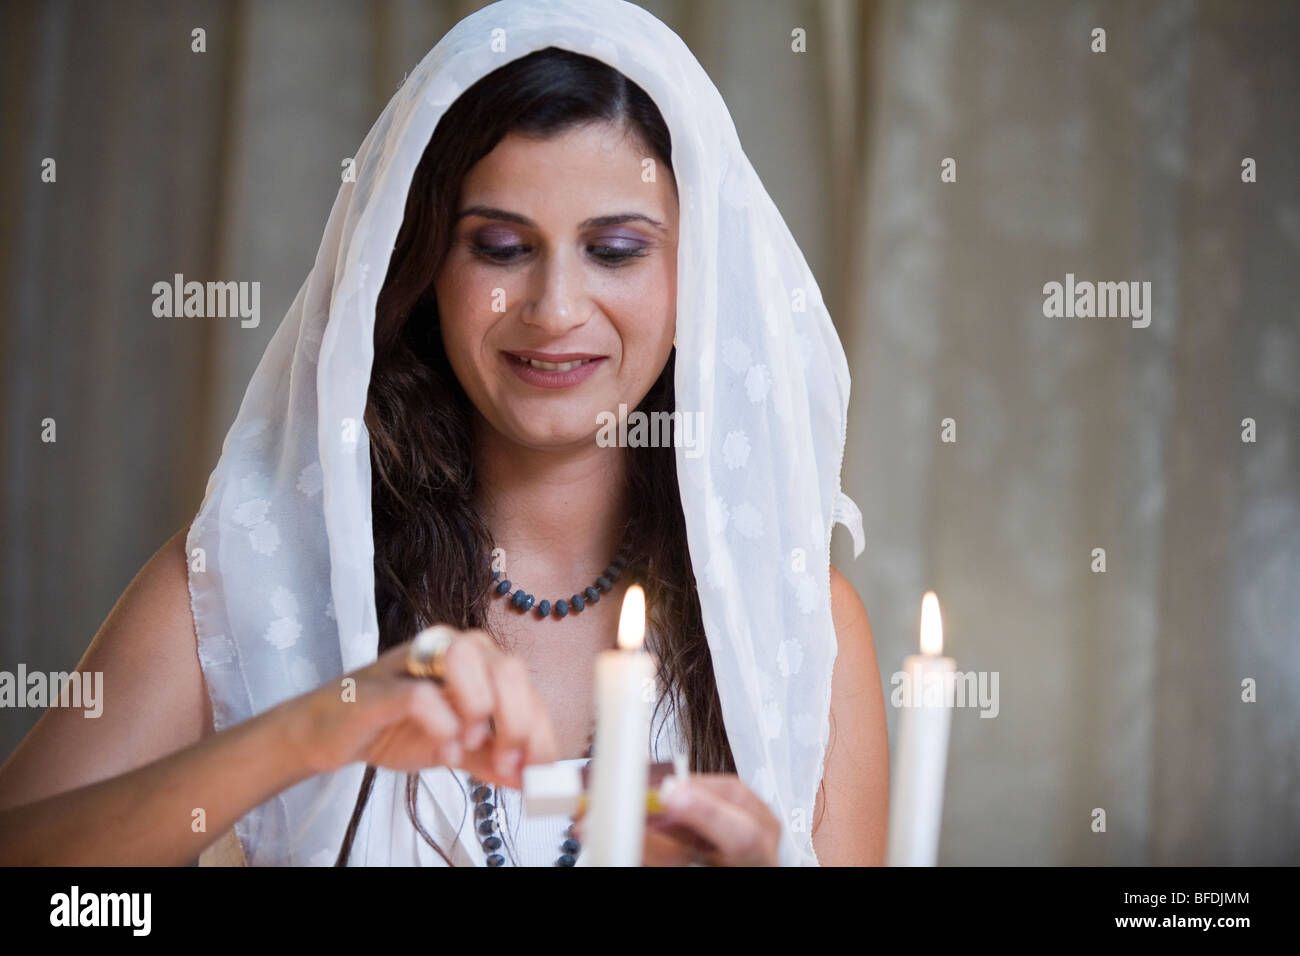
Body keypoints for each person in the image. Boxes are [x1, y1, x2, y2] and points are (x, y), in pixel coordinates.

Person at [0, 0, 888, 866]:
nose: (555, 309)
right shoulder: (259, 573)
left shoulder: (799, 621)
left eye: (615, 249)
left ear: (698, 277)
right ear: (423, 264)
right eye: (501, 246)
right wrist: (317, 726)